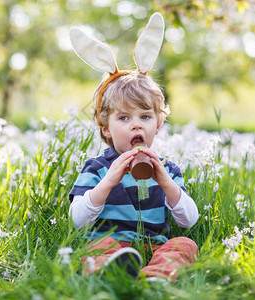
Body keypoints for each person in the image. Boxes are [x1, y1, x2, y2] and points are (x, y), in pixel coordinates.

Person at [68, 70, 199, 281]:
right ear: (106, 129)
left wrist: (166, 183)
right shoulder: (96, 168)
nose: (136, 124)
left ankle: (156, 278)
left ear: (157, 126)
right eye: (124, 117)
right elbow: (77, 221)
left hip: (155, 246)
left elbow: (188, 220)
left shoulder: (168, 170)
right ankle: (111, 271)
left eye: (145, 116)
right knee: (96, 246)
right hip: (111, 243)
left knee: (185, 244)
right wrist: (107, 183)